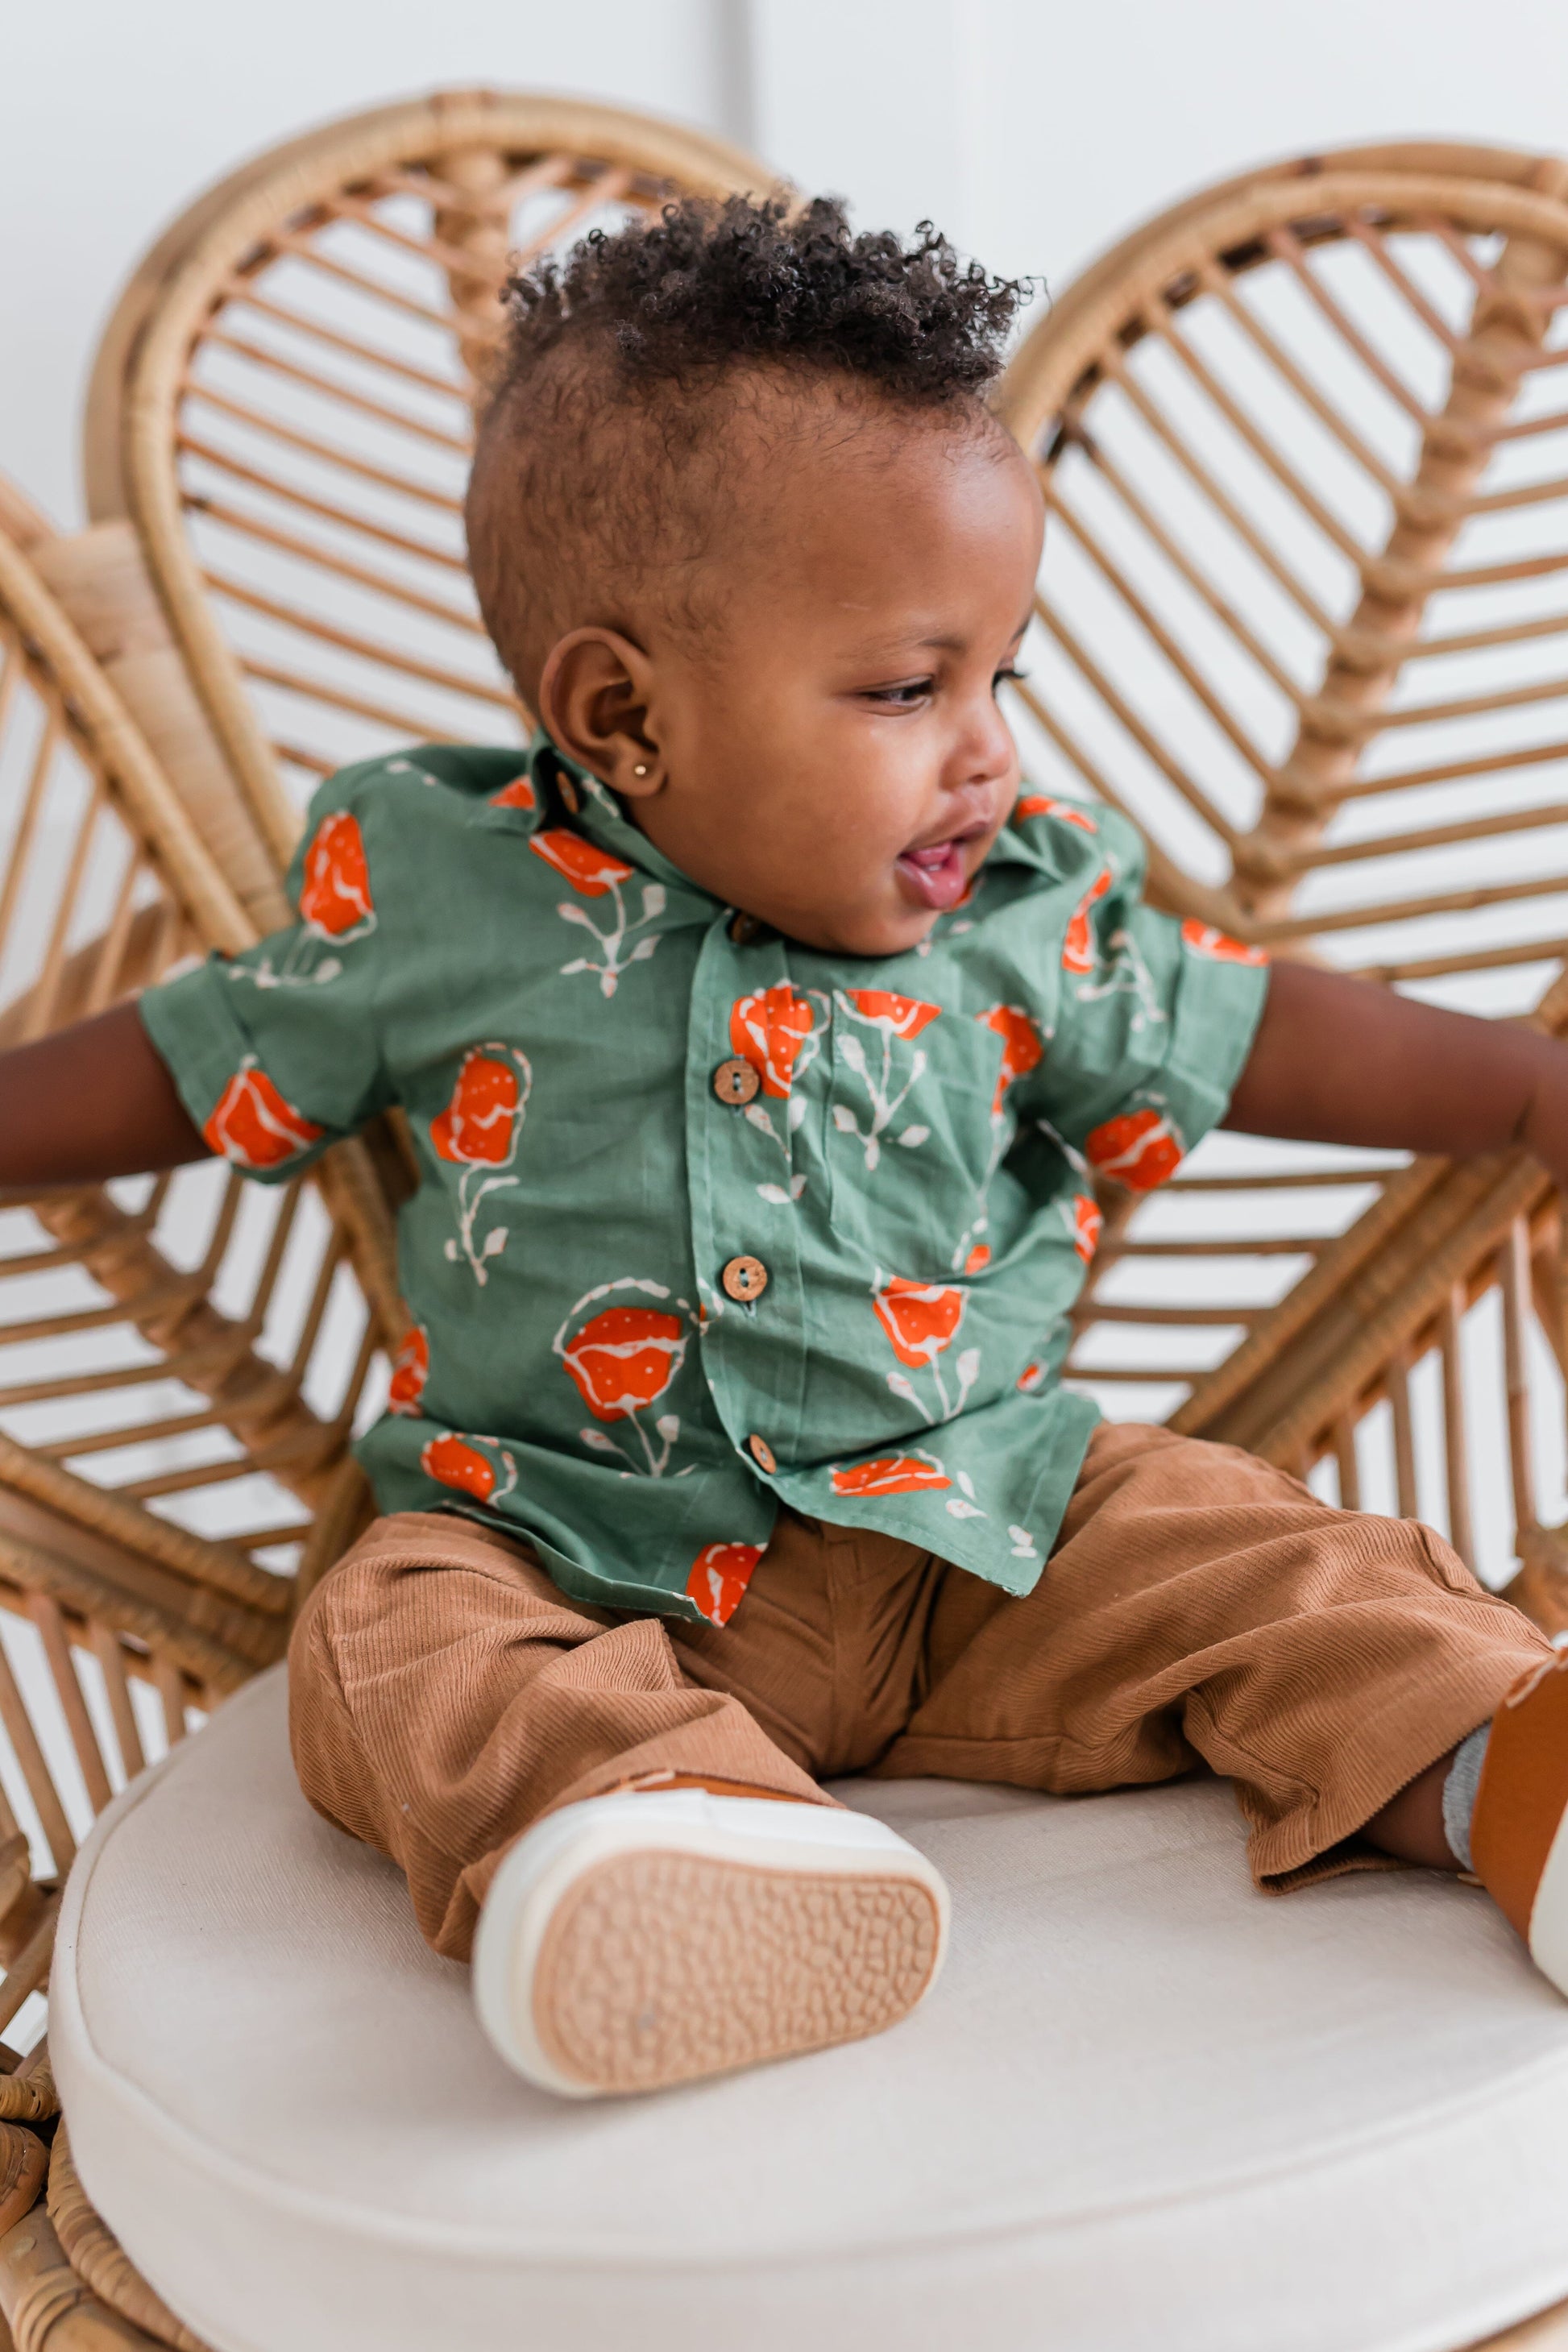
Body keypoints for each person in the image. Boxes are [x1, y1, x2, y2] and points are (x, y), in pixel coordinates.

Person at [9, 196, 1568, 2099]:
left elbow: (1254, 1026)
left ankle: (1514, 1779)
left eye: (1002, 672)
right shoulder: (433, 897)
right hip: (564, 1554)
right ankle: (659, 1834)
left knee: (1236, 1546)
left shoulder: (1019, 912)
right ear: (621, 713)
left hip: (973, 1536)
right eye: (910, 688)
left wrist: (1522, 1089)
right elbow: (191, 1059)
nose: (986, 750)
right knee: (387, 1636)